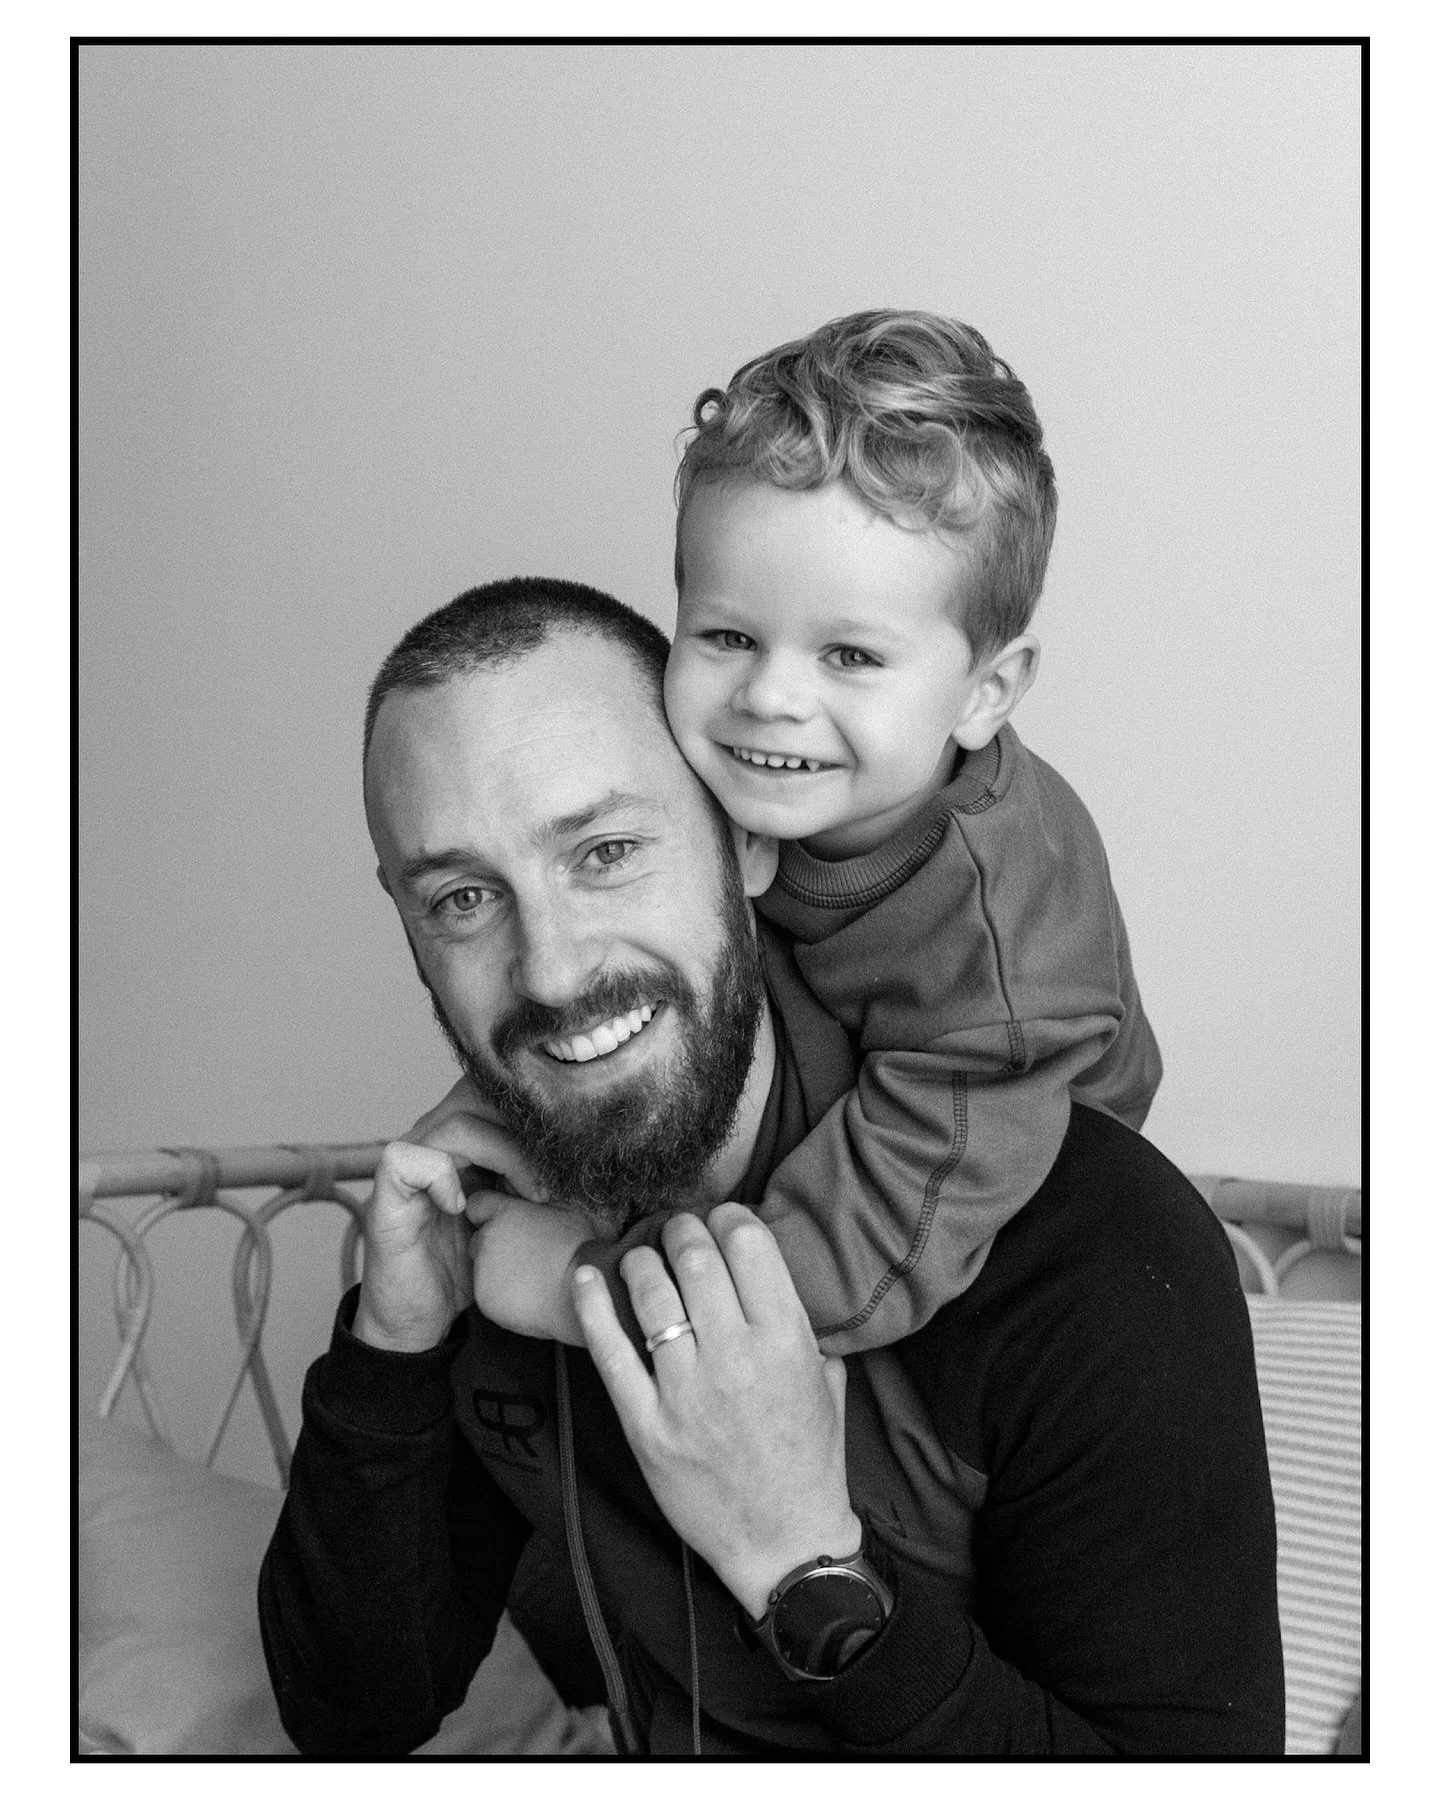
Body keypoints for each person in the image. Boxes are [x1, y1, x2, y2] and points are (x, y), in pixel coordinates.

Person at [258, 579, 1284, 1756]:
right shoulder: (497, 1231)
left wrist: (800, 1559)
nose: (548, 971)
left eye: (605, 851)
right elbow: (353, 1717)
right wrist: (397, 1345)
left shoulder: (1092, 1250)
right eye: (464, 898)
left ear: (748, 839)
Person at [466, 311, 1164, 1354]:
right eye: (729, 635)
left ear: (986, 693)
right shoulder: (736, 779)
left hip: (978, 1269)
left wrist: (572, 1283)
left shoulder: (996, 952)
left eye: (849, 656)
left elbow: (850, 1272)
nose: (770, 697)